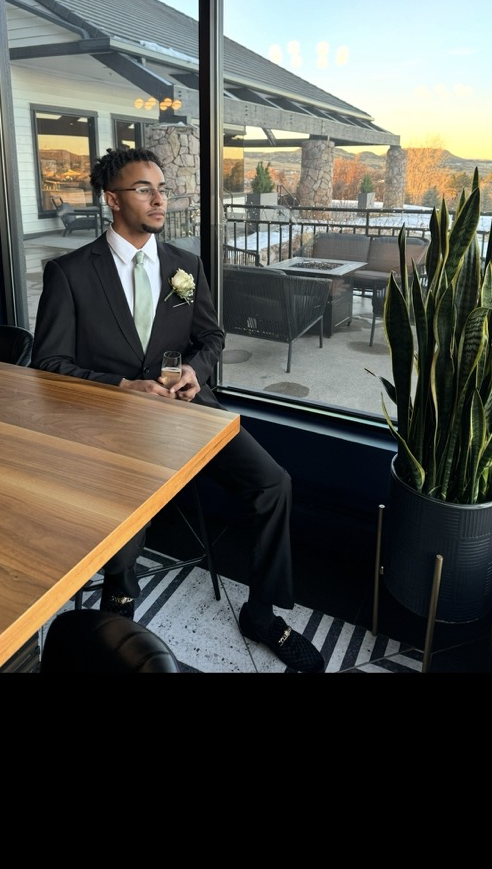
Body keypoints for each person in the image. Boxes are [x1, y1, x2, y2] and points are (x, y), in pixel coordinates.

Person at [31, 146, 324, 673]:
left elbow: (212, 336)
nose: (159, 200)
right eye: (144, 189)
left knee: (274, 483)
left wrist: (194, 371)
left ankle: (260, 613)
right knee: (127, 514)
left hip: (188, 411)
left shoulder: (184, 267)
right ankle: (118, 599)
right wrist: (122, 387)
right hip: (112, 422)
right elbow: (48, 364)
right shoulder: (70, 273)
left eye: (162, 189)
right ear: (111, 200)